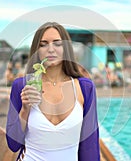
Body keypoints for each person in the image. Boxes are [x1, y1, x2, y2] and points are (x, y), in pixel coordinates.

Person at [6, 22, 100, 161]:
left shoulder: (85, 88)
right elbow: (13, 144)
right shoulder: (22, 86)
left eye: (57, 43)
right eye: (43, 44)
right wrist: (25, 110)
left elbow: (90, 146)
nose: (51, 49)